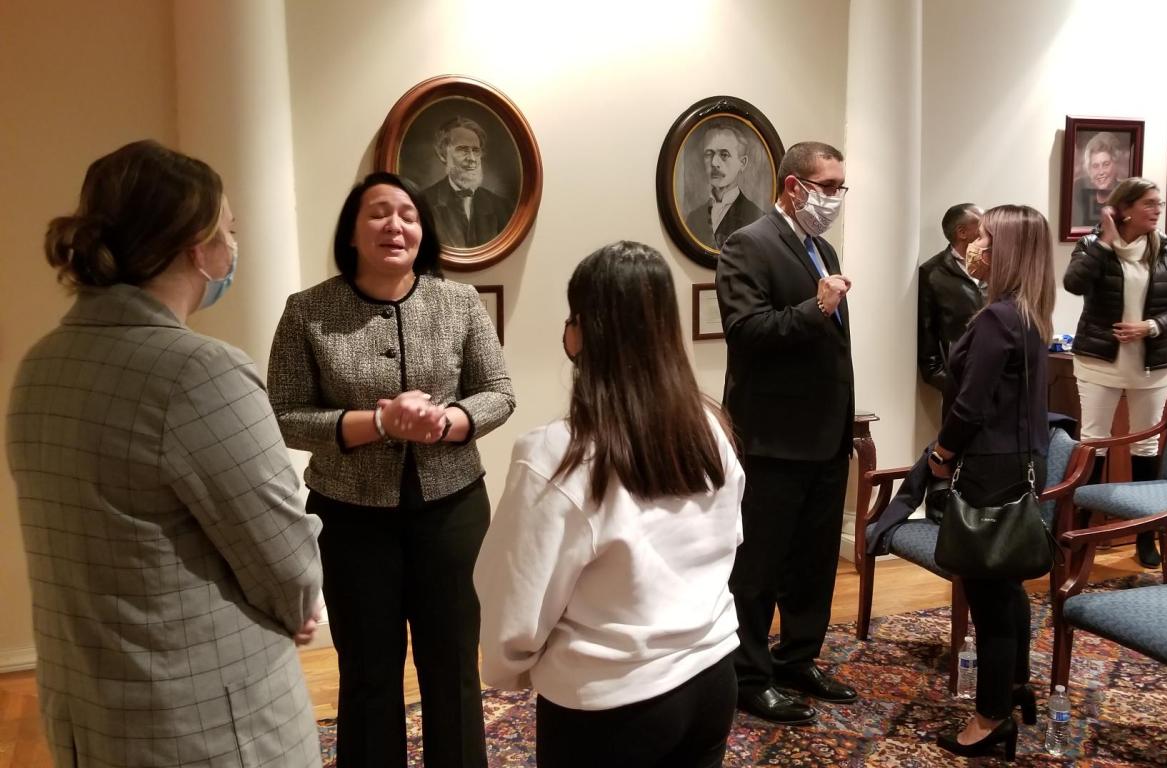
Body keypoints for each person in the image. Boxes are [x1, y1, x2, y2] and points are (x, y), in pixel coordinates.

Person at [6, 140, 324, 764]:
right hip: (206, 725)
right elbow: (289, 566)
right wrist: (298, 600)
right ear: (197, 250)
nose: (234, 250)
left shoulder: (39, 364)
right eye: (229, 232)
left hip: (88, 711)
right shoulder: (199, 375)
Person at [268, 172, 515, 768]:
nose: (394, 225)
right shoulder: (308, 311)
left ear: (423, 232)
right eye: (378, 213)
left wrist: (448, 421)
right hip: (349, 518)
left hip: (452, 509)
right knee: (368, 671)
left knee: (453, 665)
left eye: (407, 214)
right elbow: (284, 416)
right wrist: (377, 424)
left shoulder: (457, 302)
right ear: (352, 232)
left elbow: (499, 391)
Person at [475, 241, 744, 768]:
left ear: (579, 335)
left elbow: (516, 599)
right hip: (712, 674)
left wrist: (511, 669)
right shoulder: (711, 427)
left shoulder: (556, 453)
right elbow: (730, 541)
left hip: (613, 700)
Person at [716, 140, 857, 726]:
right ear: (793, 185)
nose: (835, 199)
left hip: (826, 437)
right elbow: (746, 332)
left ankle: (797, 657)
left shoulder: (820, 246)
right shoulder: (747, 243)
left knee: (814, 561)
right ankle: (748, 676)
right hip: (773, 439)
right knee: (760, 566)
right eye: (827, 187)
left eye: (840, 188)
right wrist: (815, 309)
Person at [925, 204, 1056, 761]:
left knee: (987, 596)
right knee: (1007, 588)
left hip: (991, 468)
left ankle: (989, 717)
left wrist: (941, 454)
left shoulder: (998, 317)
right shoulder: (1027, 313)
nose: (975, 246)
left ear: (1005, 251)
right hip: (1023, 460)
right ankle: (1015, 685)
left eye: (985, 238)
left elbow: (970, 405)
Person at [1064, 177, 1167, 568]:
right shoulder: (1093, 245)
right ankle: (1082, 534)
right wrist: (1105, 244)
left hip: (1151, 363)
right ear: (1124, 210)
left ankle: (1145, 535)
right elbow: (1073, 283)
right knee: (1094, 443)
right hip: (1099, 360)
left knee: (1146, 446)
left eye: (1159, 204)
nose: (1157, 210)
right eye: (1149, 204)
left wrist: (1151, 327)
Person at [918, 203, 986, 409]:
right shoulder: (932, 274)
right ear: (962, 232)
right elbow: (927, 347)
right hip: (962, 388)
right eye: (982, 225)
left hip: (1003, 382)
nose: (989, 230)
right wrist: (955, 387)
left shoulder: (998, 266)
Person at [420, 116, 516, 248]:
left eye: (476, 151)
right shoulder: (423, 203)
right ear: (443, 155)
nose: (472, 159)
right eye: (462, 150)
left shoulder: (502, 207)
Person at [683, 124, 765, 249]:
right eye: (709, 154)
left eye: (724, 155)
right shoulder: (693, 218)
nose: (714, 163)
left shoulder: (758, 219)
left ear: (742, 163)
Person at [1071, 132, 1122, 227]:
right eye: (1095, 166)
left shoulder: (1124, 192)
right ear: (1089, 170)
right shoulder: (1078, 188)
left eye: (1106, 164)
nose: (1101, 172)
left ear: (1115, 165)